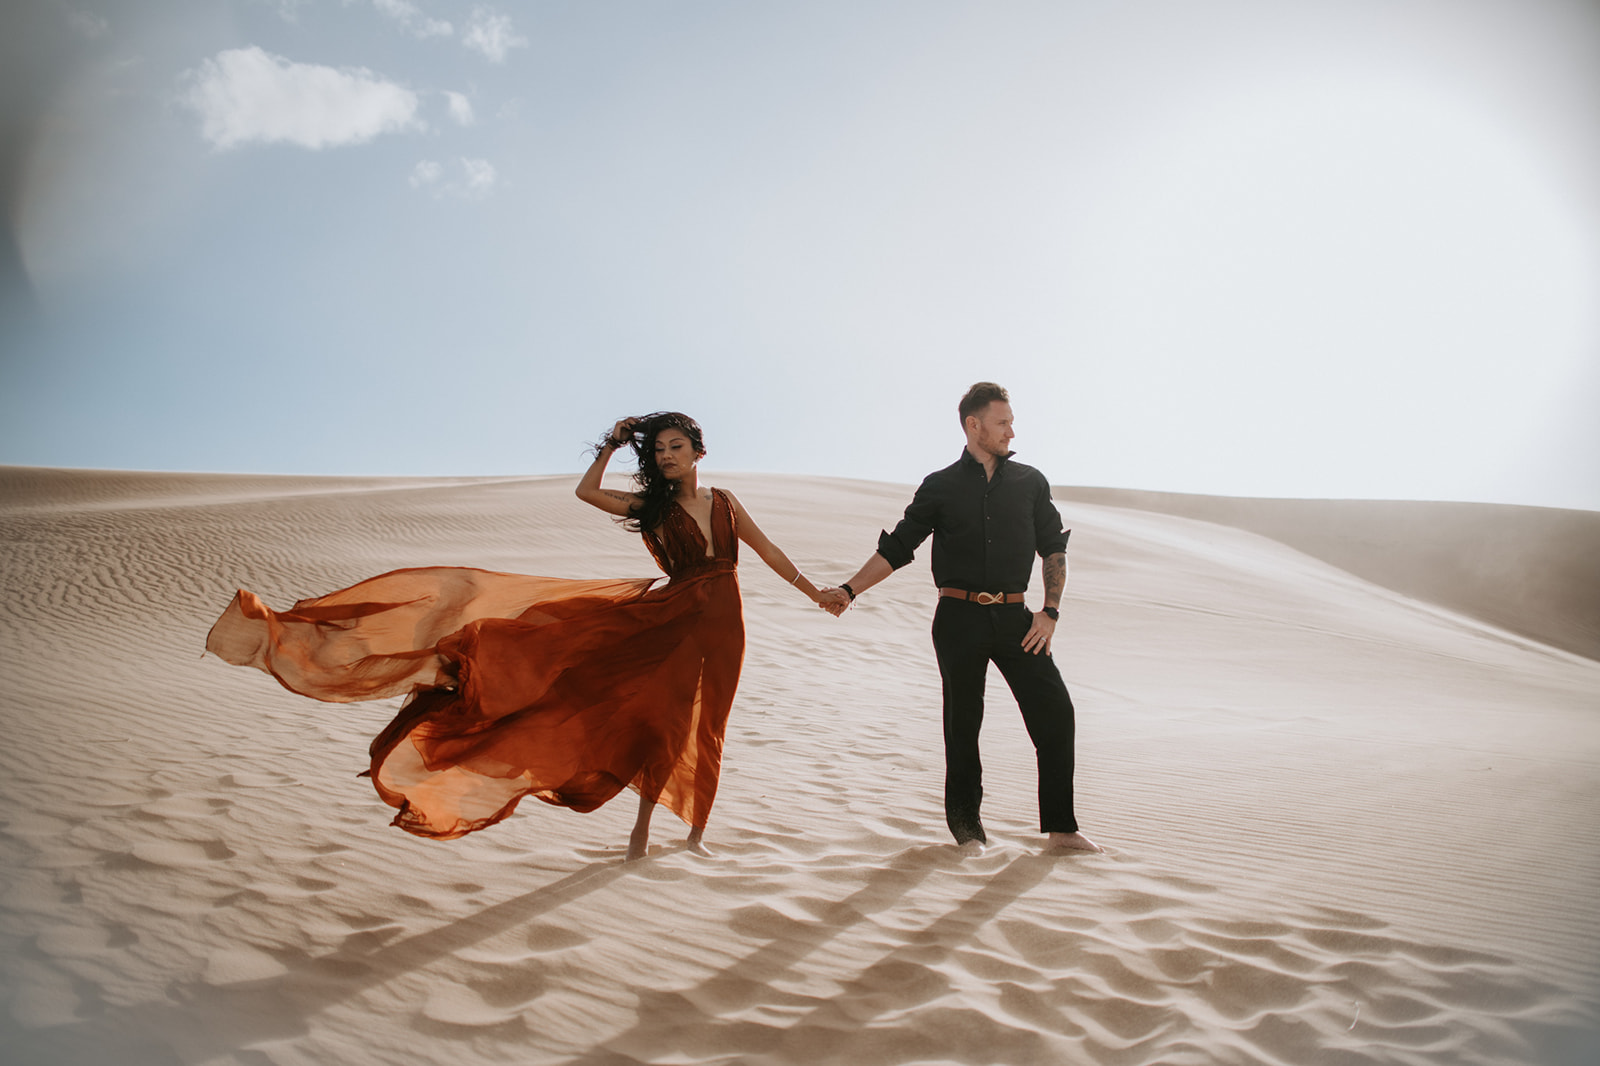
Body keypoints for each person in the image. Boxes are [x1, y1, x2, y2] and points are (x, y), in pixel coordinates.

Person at [206, 412, 840, 860]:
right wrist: (613, 446)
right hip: (670, 622)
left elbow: (769, 551)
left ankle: (695, 832)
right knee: (662, 719)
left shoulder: (726, 501)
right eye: (661, 450)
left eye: (677, 446)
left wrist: (815, 591)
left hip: (725, 624)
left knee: (711, 720)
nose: (668, 455)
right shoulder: (653, 508)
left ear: (699, 452)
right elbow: (587, 493)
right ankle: (646, 836)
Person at [821, 383, 1100, 853]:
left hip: (1018, 619)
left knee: (1056, 713)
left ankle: (1061, 830)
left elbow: (1053, 546)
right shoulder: (941, 486)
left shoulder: (1030, 482)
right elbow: (899, 546)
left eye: (1011, 421)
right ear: (974, 426)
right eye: (1002, 422)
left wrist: (1050, 612)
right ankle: (969, 833)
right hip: (958, 619)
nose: (1012, 430)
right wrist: (850, 590)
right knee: (963, 724)